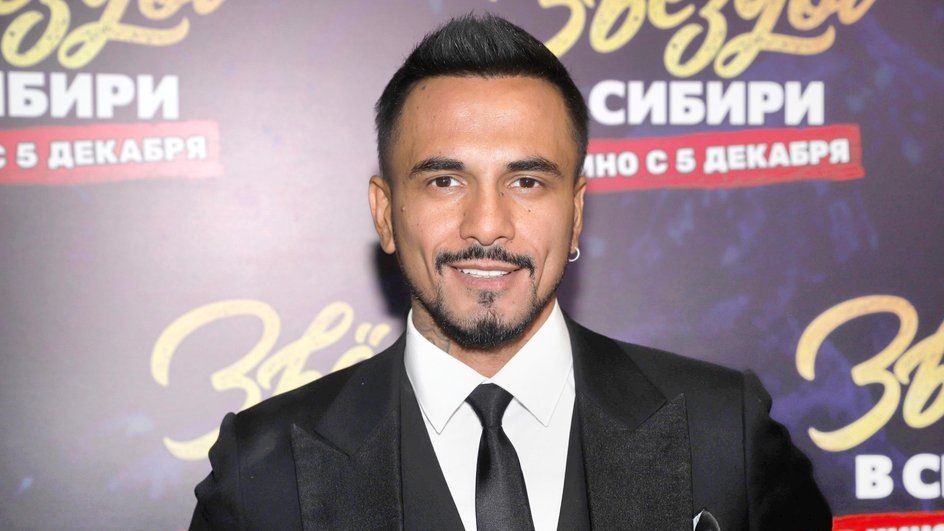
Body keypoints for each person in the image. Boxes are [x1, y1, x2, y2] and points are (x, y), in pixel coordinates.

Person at [189, 13, 831, 531]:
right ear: (385, 214)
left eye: (527, 181)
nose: (487, 224)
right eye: (445, 180)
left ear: (575, 213)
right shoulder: (263, 472)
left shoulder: (724, 435)